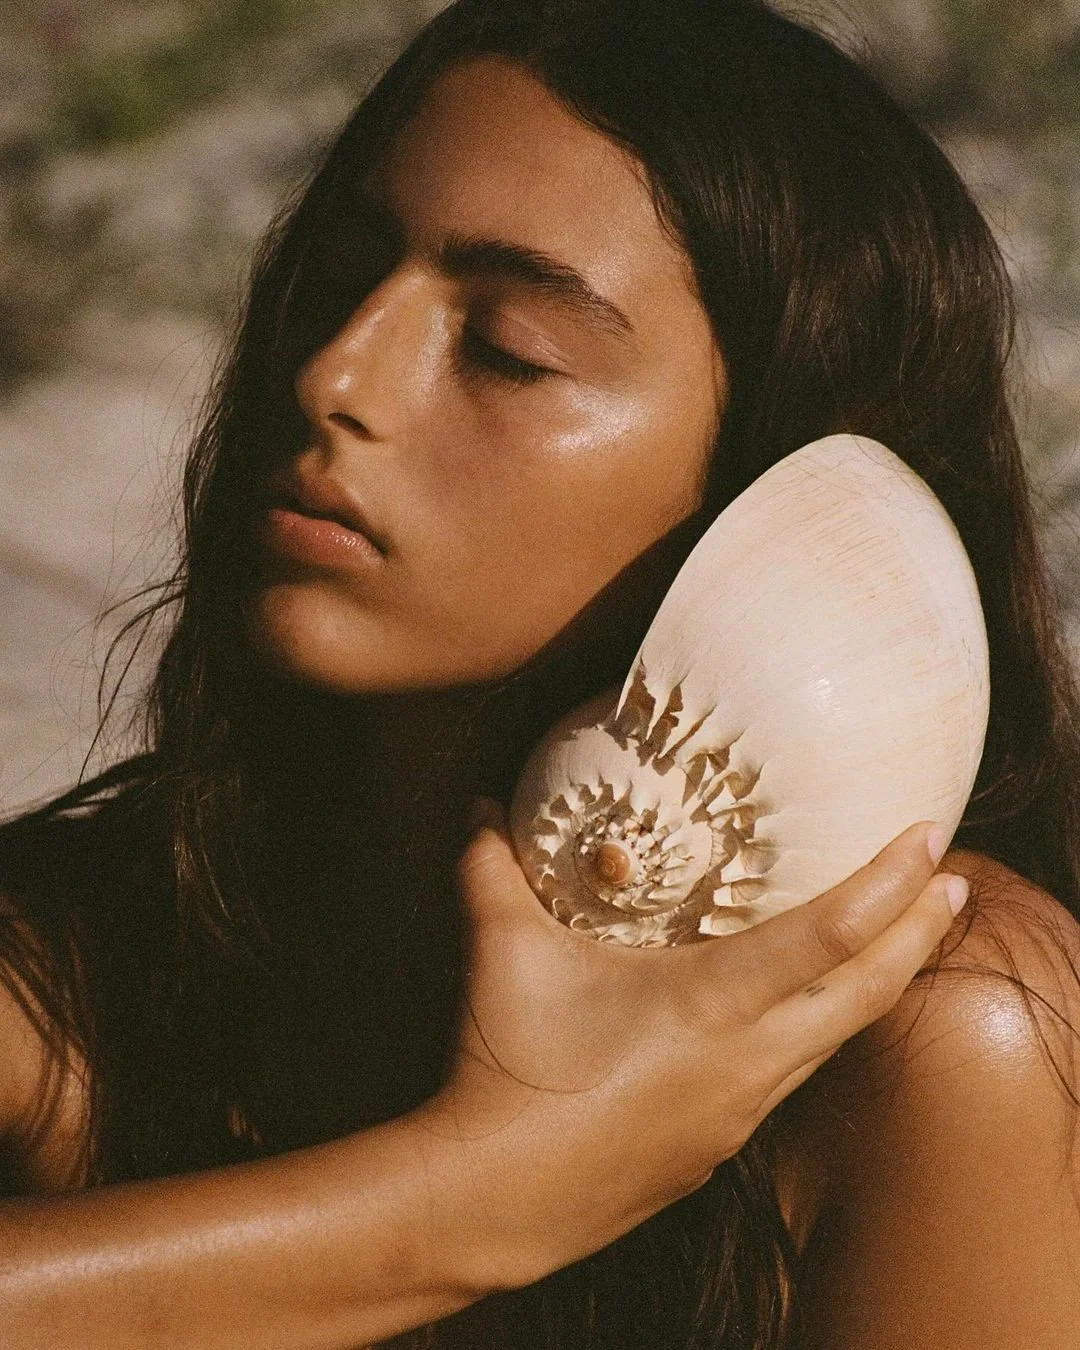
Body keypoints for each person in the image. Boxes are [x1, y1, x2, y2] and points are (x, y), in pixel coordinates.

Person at [2, 0, 1079, 1345]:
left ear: (775, 497)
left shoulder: (926, 1036)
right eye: (334, 280)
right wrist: (479, 1196)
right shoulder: (102, 960)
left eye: (510, 349)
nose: (338, 375)